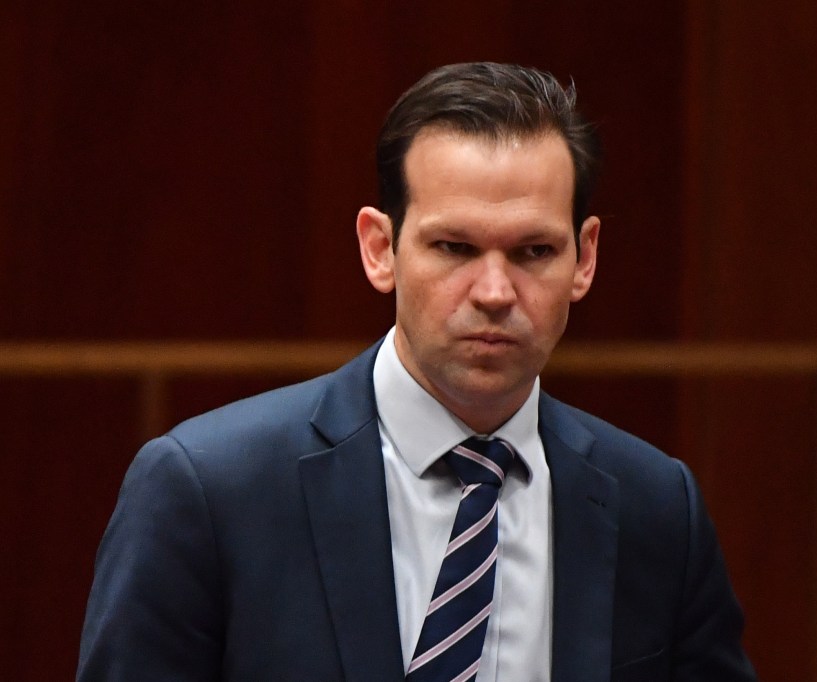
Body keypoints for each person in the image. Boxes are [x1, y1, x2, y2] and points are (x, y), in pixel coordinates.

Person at [77, 62, 757, 681]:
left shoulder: (656, 508)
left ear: (584, 258)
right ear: (380, 249)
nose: (495, 291)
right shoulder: (208, 491)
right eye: (454, 246)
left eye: (534, 250)